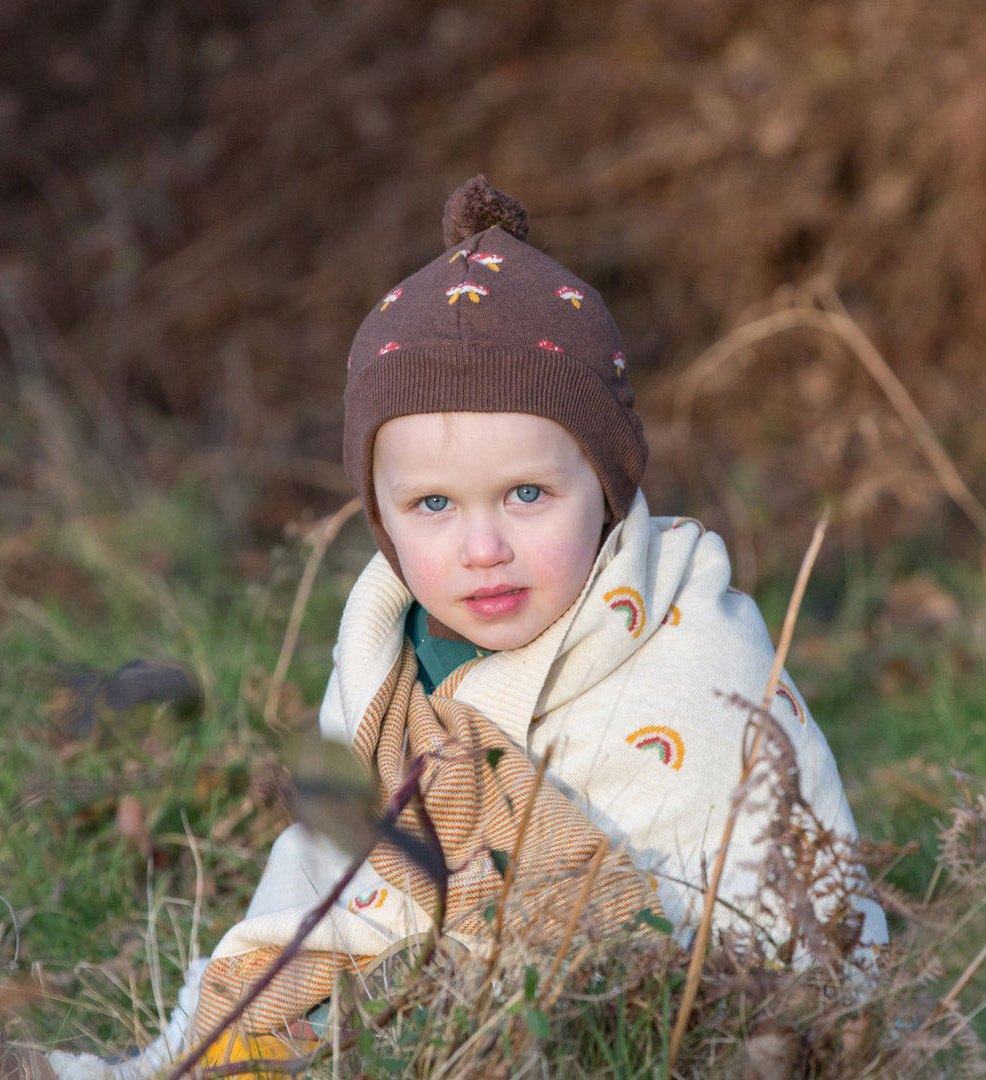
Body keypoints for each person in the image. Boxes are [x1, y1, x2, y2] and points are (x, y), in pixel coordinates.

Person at [183, 176, 888, 1071]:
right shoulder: (381, 667)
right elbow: (334, 870)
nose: (483, 547)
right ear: (381, 516)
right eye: (433, 503)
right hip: (424, 1012)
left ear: (607, 486)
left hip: (651, 1029)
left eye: (527, 494)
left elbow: (767, 905)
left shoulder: (695, 654)